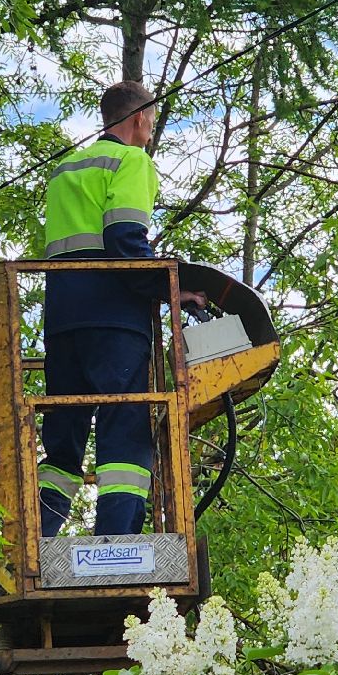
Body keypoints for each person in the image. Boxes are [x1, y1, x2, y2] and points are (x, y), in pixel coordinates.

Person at [37, 81, 205, 537]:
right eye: (149, 122)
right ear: (137, 119)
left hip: (63, 319)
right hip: (114, 320)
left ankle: (38, 540)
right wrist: (171, 289)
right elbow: (124, 241)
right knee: (124, 426)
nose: (150, 131)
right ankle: (117, 544)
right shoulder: (132, 161)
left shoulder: (65, 169)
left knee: (63, 440)